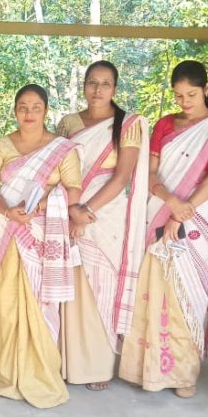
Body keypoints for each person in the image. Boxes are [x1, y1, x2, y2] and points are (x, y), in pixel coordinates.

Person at [118, 60, 208, 398]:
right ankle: (145, 368)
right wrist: (170, 202)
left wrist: (181, 213)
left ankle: (183, 374)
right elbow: (150, 172)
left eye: (190, 94)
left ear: (206, 88)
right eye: (178, 95)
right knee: (153, 290)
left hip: (196, 218)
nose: (184, 101)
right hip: (160, 211)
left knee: (188, 294)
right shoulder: (165, 125)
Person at [0, 84, 83, 409]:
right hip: (10, 229)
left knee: (41, 301)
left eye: (36, 107)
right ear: (15, 111)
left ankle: (40, 372)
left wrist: (41, 208)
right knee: (8, 302)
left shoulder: (62, 149)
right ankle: (6, 374)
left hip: (45, 234)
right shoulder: (1, 146)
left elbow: (73, 191)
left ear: (45, 111)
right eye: (23, 107)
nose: (29, 113)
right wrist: (8, 211)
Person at [55, 61, 149, 391]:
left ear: (115, 89)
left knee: (101, 285)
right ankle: (67, 360)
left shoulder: (127, 124)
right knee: (70, 286)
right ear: (83, 85)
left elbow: (123, 176)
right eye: (92, 82)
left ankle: (97, 364)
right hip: (69, 207)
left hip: (104, 213)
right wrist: (70, 210)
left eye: (105, 84)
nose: (97, 90)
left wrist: (85, 210)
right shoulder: (68, 123)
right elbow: (57, 169)